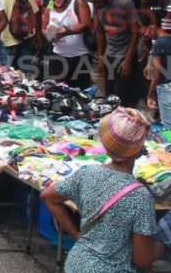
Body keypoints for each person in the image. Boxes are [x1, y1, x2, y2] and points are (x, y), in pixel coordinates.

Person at [41, 108, 162, 273]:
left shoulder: (87, 174)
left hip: (77, 264)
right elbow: (142, 261)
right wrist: (164, 245)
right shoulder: (140, 196)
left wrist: (77, 236)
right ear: (139, 150)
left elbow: (48, 197)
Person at [86, 0, 145, 107]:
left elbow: (135, 33)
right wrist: (101, 58)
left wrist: (128, 60)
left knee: (122, 98)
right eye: (93, 3)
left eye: (97, 1)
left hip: (124, 56)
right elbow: (100, 33)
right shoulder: (98, 6)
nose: (95, 5)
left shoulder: (124, 3)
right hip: (109, 56)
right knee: (110, 96)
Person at [43, 0, 93, 89]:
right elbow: (44, 27)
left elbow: (86, 23)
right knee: (58, 90)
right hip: (58, 57)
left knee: (80, 90)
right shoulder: (50, 5)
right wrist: (49, 35)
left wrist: (68, 32)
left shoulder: (78, 1)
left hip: (79, 56)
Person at [143, 11, 171, 131]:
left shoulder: (159, 43)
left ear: (153, 26)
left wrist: (150, 94)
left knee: (169, 127)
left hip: (165, 87)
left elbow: (157, 73)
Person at [0, 0, 40, 71]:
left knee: (9, 74)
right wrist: (37, 34)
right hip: (27, 36)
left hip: (8, 39)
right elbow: (36, 13)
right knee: (28, 70)